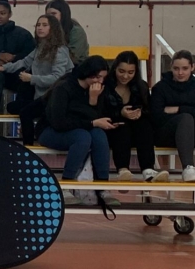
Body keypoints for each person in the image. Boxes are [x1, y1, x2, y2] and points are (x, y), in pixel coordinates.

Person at [39, 56, 116, 205]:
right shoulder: (64, 88)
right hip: (50, 130)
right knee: (83, 137)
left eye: (103, 78)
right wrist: (92, 123)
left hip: (79, 130)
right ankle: (66, 184)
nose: (100, 81)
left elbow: (95, 119)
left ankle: (102, 186)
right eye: (97, 77)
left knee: (98, 134)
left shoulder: (97, 90)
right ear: (88, 73)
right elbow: (59, 123)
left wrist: (93, 100)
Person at [0, 15, 72, 145]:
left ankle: (28, 146)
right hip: (41, 96)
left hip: (55, 98)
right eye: (38, 25)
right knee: (12, 106)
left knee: (25, 112)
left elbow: (57, 78)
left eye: (44, 25)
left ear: (53, 28)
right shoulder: (39, 48)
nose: (40, 28)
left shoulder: (60, 50)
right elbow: (24, 62)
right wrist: (2, 68)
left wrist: (32, 78)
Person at [103, 51, 164, 182]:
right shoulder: (105, 85)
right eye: (121, 71)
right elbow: (100, 111)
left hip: (136, 131)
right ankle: (123, 169)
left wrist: (140, 113)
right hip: (111, 129)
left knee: (144, 125)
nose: (125, 76)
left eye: (130, 72)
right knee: (122, 127)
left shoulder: (141, 86)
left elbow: (149, 110)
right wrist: (120, 113)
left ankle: (148, 169)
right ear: (115, 68)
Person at [150, 50, 195, 183]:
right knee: (186, 119)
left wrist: (178, 109)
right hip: (165, 134)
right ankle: (188, 167)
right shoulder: (160, 88)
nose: (180, 73)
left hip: (192, 133)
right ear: (171, 67)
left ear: (192, 67)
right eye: (176, 68)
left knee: (187, 119)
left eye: (185, 68)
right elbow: (156, 117)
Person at [46, 0, 89, 65]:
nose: (50, 18)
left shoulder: (77, 32)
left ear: (63, 14)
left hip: (76, 66)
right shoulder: (47, 30)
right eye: (47, 15)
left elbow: (73, 57)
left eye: (53, 14)